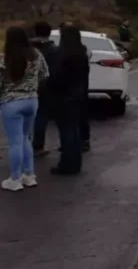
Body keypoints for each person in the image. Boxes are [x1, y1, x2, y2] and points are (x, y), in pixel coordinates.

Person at [0, 26, 49, 191]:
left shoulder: (3, 58)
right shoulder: (36, 55)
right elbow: (45, 75)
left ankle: (15, 179)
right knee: (25, 138)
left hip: (11, 102)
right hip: (32, 100)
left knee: (15, 141)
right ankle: (29, 175)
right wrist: (33, 87)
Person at [51, 24, 90, 175]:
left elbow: (57, 77)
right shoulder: (82, 53)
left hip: (63, 96)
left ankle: (66, 164)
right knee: (74, 131)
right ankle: (75, 163)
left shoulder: (62, 54)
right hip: (78, 95)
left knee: (66, 132)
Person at [31, 21, 61, 157]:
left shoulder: (25, 47)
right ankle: (37, 146)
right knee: (41, 116)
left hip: (22, 86)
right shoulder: (53, 50)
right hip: (44, 88)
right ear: (49, 33)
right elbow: (55, 71)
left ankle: (21, 145)